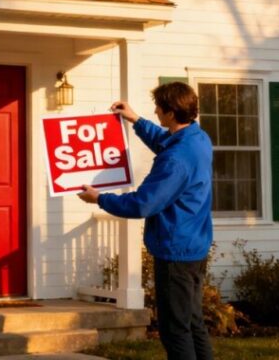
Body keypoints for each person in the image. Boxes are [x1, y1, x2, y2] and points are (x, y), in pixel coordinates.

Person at [78, 82, 214, 360]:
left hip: (175, 252)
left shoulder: (176, 160)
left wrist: (100, 199)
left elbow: (143, 203)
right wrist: (136, 120)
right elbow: (164, 141)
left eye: (159, 109)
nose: (156, 112)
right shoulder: (197, 138)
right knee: (192, 322)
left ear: (171, 113)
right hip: (194, 246)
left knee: (175, 330)